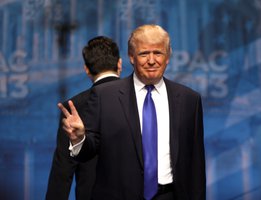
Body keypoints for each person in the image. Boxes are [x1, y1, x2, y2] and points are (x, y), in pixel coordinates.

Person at [59, 24, 206, 200]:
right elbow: (88, 153)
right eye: (144, 54)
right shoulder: (105, 96)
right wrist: (79, 139)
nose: (151, 60)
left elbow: (196, 165)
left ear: (168, 57)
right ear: (131, 57)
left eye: (158, 53)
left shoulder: (189, 99)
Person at [46, 36, 122, 200]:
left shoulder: (73, 107)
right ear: (120, 64)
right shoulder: (142, 99)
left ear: (86, 69)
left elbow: (62, 171)